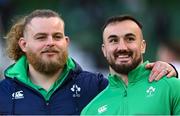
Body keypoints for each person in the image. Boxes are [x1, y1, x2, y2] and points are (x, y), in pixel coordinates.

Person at [0, 9, 177, 115]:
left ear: (66, 42)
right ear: (23, 44)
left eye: (57, 36)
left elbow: (129, 85)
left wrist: (170, 68)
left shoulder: (94, 85)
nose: (50, 43)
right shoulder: (3, 92)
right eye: (41, 37)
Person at [81, 15, 180, 115]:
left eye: (130, 39)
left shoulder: (172, 87)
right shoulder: (90, 111)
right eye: (113, 40)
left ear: (142, 46)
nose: (122, 47)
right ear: (104, 50)